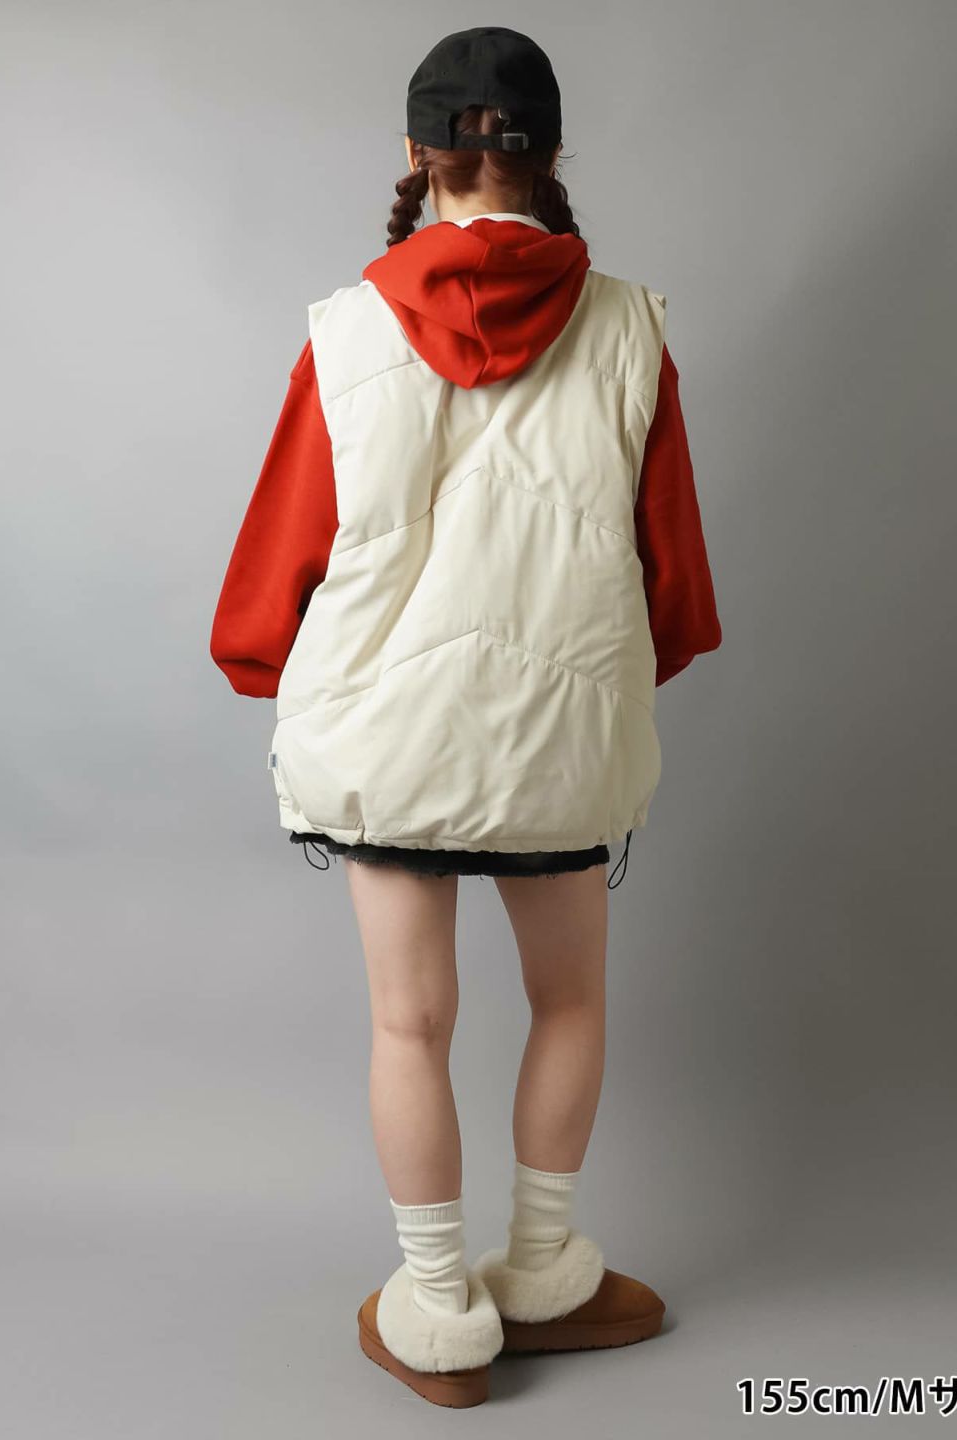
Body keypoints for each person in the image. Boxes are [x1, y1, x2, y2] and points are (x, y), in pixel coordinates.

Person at [210, 25, 722, 1407]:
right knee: (571, 1000)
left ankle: (438, 1306)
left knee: (408, 1025)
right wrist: (595, 684)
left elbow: (275, 569)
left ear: (416, 155)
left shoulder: (345, 330)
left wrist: (264, 666)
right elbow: (676, 583)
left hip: (386, 739)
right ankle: (544, 1269)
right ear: (549, 155)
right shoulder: (630, 328)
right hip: (565, 734)